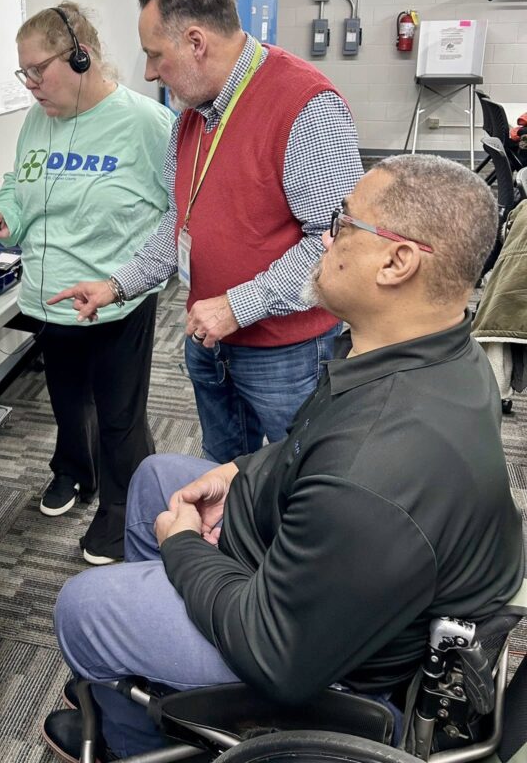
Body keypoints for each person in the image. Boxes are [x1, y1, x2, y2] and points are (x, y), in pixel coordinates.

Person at [42, 154, 524, 760]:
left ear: (397, 262)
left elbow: (279, 652)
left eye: (344, 223)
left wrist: (184, 549)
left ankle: (130, 742)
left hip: (321, 659)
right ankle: (165, 698)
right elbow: (311, 445)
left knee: (84, 609)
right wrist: (241, 471)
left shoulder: (378, 467)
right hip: (320, 572)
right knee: (156, 479)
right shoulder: (428, 348)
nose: (324, 235)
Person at [49, 0, 363, 463]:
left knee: (295, 484)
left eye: (155, 55)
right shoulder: (193, 115)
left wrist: (240, 306)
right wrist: (116, 285)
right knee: (224, 477)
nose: (150, 72)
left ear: (196, 42)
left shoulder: (305, 105)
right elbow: (180, 225)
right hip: (211, 344)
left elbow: (335, 244)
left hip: (285, 355)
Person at [0, 2, 172, 565]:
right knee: (67, 403)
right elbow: (19, 183)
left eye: (40, 69)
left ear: (81, 56)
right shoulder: (37, 120)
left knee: (120, 419)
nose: (32, 84)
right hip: (48, 297)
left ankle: (122, 512)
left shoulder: (145, 124)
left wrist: (128, 278)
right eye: (24, 73)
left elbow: (180, 211)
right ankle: (73, 472)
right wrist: (4, 212)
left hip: (116, 302)